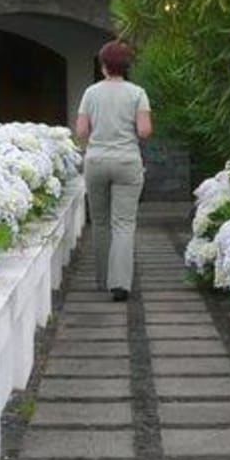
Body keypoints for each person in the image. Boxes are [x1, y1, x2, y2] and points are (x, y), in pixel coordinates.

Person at [75, 39, 152, 301]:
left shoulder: (90, 93)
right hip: (127, 161)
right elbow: (144, 131)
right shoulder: (138, 93)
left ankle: (103, 279)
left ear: (103, 66)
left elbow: (81, 131)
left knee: (100, 222)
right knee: (123, 223)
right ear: (127, 66)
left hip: (96, 161)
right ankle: (119, 283)